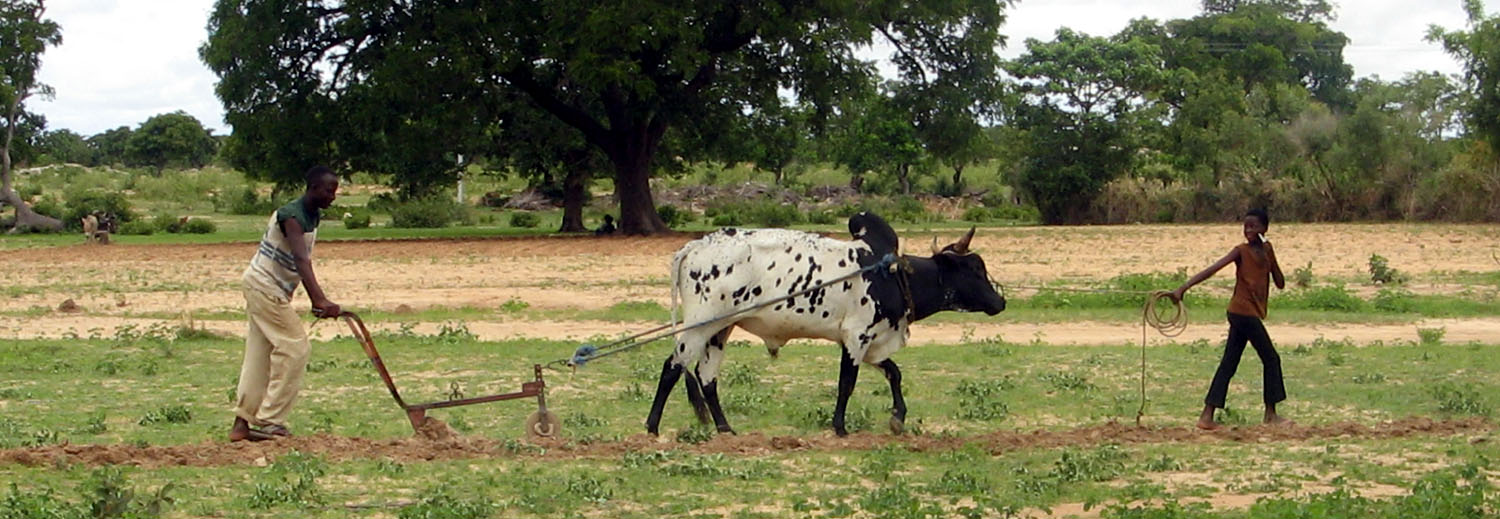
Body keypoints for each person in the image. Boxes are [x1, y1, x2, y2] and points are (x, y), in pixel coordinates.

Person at [229, 166, 342, 442]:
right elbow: (301, 259)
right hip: (264, 286)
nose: (333, 196)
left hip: (265, 287)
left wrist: (319, 300)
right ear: (313, 188)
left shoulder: (312, 215)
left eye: (335, 191)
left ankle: (242, 424)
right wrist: (319, 299)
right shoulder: (292, 216)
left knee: (259, 357)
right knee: (295, 347)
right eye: (328, 190)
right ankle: (270, 421)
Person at [1170, 208, 1289, 430]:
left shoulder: (1267, 250)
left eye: (1253, 226)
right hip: (1242, 312)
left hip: (1247, 313)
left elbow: (1280, 282)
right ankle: (1271, 415)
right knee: (1271, 358)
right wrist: (1183, 288)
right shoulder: (1240, 251)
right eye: (1245, 226)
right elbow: (1212, 269)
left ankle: (1207, 416)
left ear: (1264, 229)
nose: (1248, 230)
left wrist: (1270, 257)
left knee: (1229, 363)